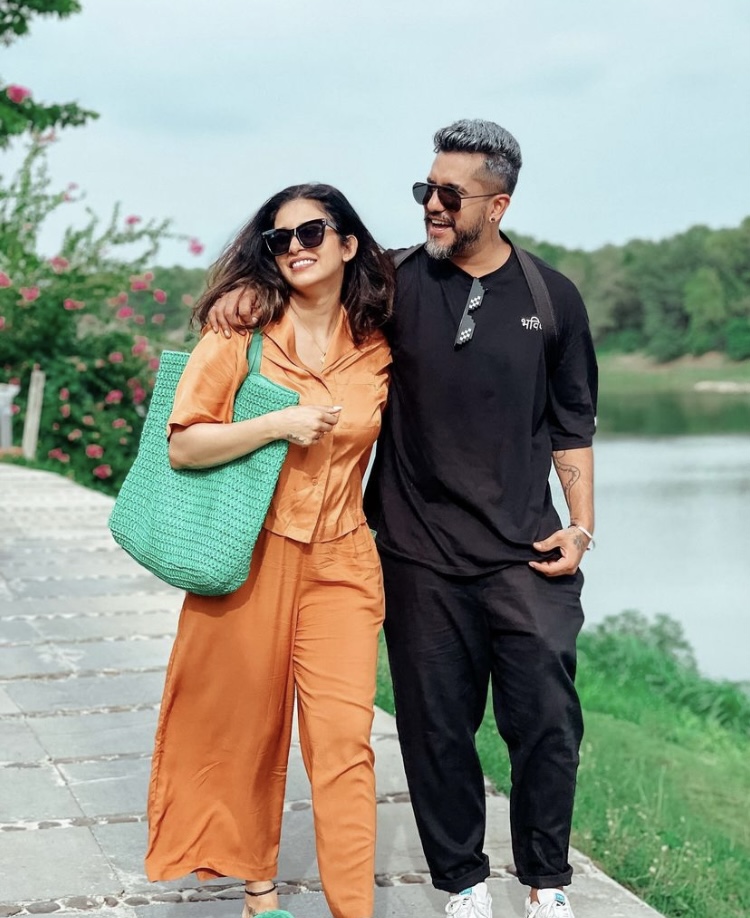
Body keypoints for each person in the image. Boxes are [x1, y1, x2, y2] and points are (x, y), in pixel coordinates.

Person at [207, 119, 598, 918]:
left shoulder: (550, 298)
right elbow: (308, 290)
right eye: (426, 188)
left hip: (525, 549)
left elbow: (572, 425)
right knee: (434, 727)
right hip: (417, 551)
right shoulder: (389, 284)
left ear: (498, 205)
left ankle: (546, 882)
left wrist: (582, 524)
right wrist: (247, 294)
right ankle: (462, 883)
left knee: (548, 719)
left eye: (450, 194)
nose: (432, 205)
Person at [145, 183, 394, 918]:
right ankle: (261, 895)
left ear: (348, 243)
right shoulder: (241, 334)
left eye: (311, 232)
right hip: (249, 558)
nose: (295, 248)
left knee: (345, 744)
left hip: (343, 563)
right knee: (244, 732)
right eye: (280, 239)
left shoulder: (381, 346)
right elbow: (185, 444)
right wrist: (277, 423)